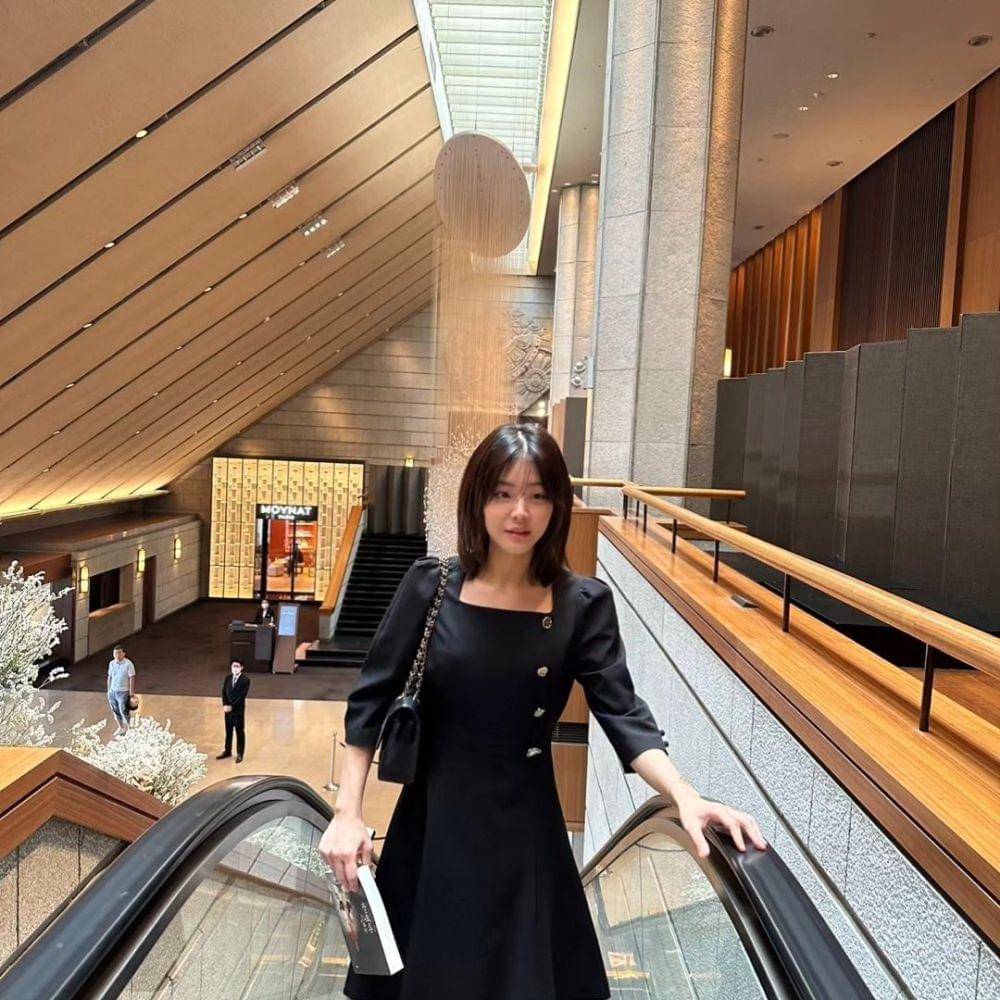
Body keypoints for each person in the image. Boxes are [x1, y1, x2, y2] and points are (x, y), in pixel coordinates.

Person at [319, 422, 767, 1000]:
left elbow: (623, 713)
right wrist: (348, 812)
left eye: (537, 495)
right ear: (477, 499)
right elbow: (370, 700)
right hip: (433, 823)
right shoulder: (431, 586)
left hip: (525, 829)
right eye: (503, 493)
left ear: (558, 505)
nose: (519, 512)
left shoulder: (582, 604)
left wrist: (685, 796)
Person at [217, 660, 250, 763]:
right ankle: (227, 751)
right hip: (228, 710)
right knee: (228, 731)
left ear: (241, 668)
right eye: (233, 666)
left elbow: (241, 696)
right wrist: (225, 705)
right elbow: (224, 692)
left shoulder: (245, 680)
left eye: (237, 666)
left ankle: (240, 753)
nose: (235, 668)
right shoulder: (228, 678)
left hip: (237, 710)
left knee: (239, 732)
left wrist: (232, 706)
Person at [106, 645, 136, 736]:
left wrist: (131, 693)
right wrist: (108, 690)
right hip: (113, 691)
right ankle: (121, 728)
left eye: (119, 653)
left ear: (124, 654)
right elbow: (110, 677)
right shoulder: (112, 663)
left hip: (123, 691)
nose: (117, 655)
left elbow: (132, 678)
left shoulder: (128, 664)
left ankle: (130, 727)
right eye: (115, 653)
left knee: (123, 710)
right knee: (115, 710)